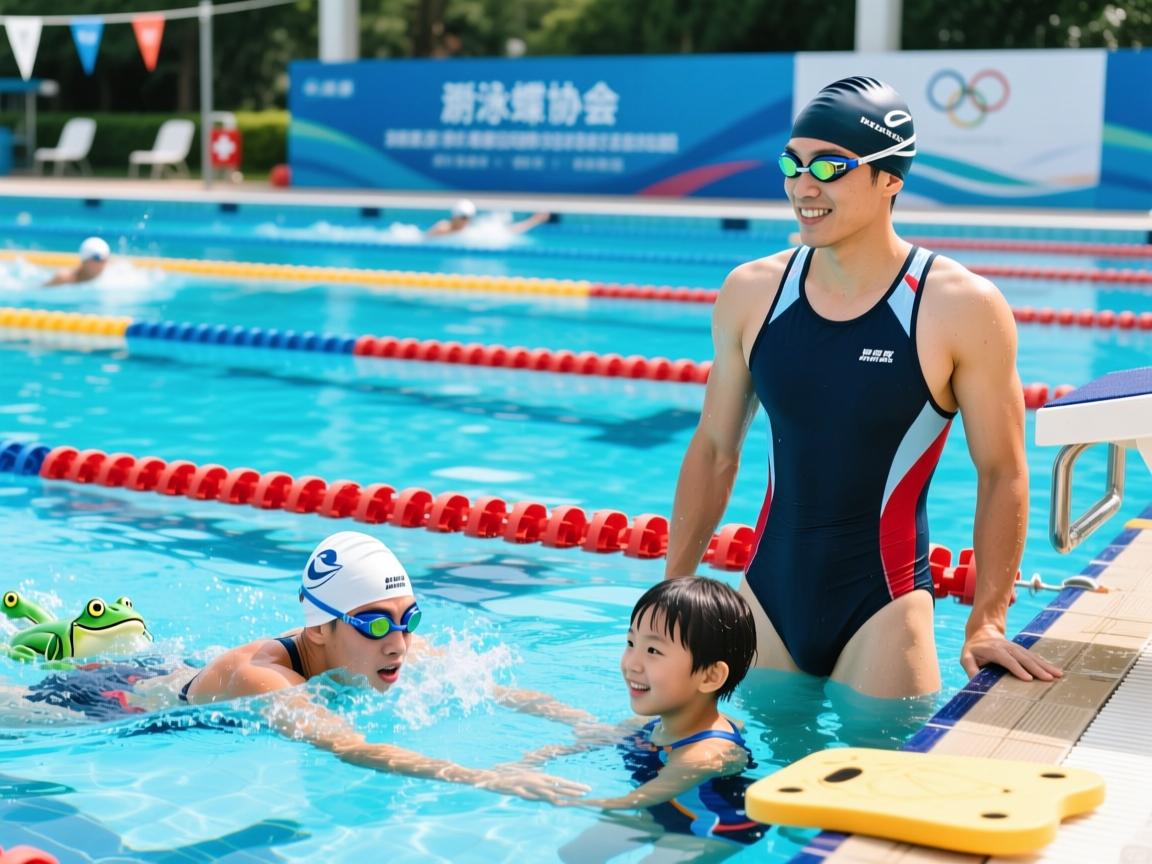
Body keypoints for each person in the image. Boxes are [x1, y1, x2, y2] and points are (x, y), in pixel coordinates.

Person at [664, 76, 1062, 699]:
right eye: (792, 164)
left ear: (890, 179)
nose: (803, 186)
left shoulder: (958, 305)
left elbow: (1001, 471)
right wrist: (672, 595)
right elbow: (715, 449)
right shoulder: (752, 292)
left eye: (830, 166)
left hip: (885, 611)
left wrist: (986, 621)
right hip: (766, 603)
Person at [1, 531, 588, 803]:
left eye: (408, 617)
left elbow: (493, 687)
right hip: (108, 705)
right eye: (375, 624)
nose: (399, 643)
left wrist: (584, 724)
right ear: (319, 629)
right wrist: (486, 777)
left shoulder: (393, 642)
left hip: (170, 667)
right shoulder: (265, 679)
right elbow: (351, 747)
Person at [504, 577, 765, 848]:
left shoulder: (704, 754)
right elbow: (598, 737)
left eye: (653, 650)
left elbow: (632, 801)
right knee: (575, 853)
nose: (632, 664)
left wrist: (550, 796)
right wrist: (532, 761)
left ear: (710, 676)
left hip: (710, 830)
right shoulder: (653, 722)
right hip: (663, 808)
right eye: (631, 643)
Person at [425, 198, 552, 236]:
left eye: (468, 218)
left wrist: (534, 220)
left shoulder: (471, 231)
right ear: (455, 217)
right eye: (463, 217)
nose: (466, 221)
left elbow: (508, 232)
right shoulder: (443, 228)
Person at [44, 237, 111, 286]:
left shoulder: (110, 276)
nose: (102, 263)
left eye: (105, 259)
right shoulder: (65, 278)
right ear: (85, 260)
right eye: (97, 258)